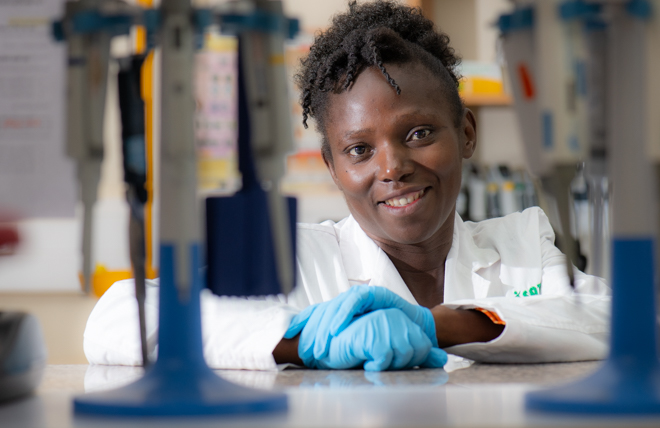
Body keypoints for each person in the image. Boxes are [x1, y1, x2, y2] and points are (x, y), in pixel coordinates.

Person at [83, 0, 610, 371]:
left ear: (466, 133)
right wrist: (301, 340)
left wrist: (442, 327)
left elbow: (617, 320)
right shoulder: (298, 254)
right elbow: (117, 320)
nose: (393, 166)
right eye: (359, 150)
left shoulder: (519, 243)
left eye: (419, 133)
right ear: (332, 167)